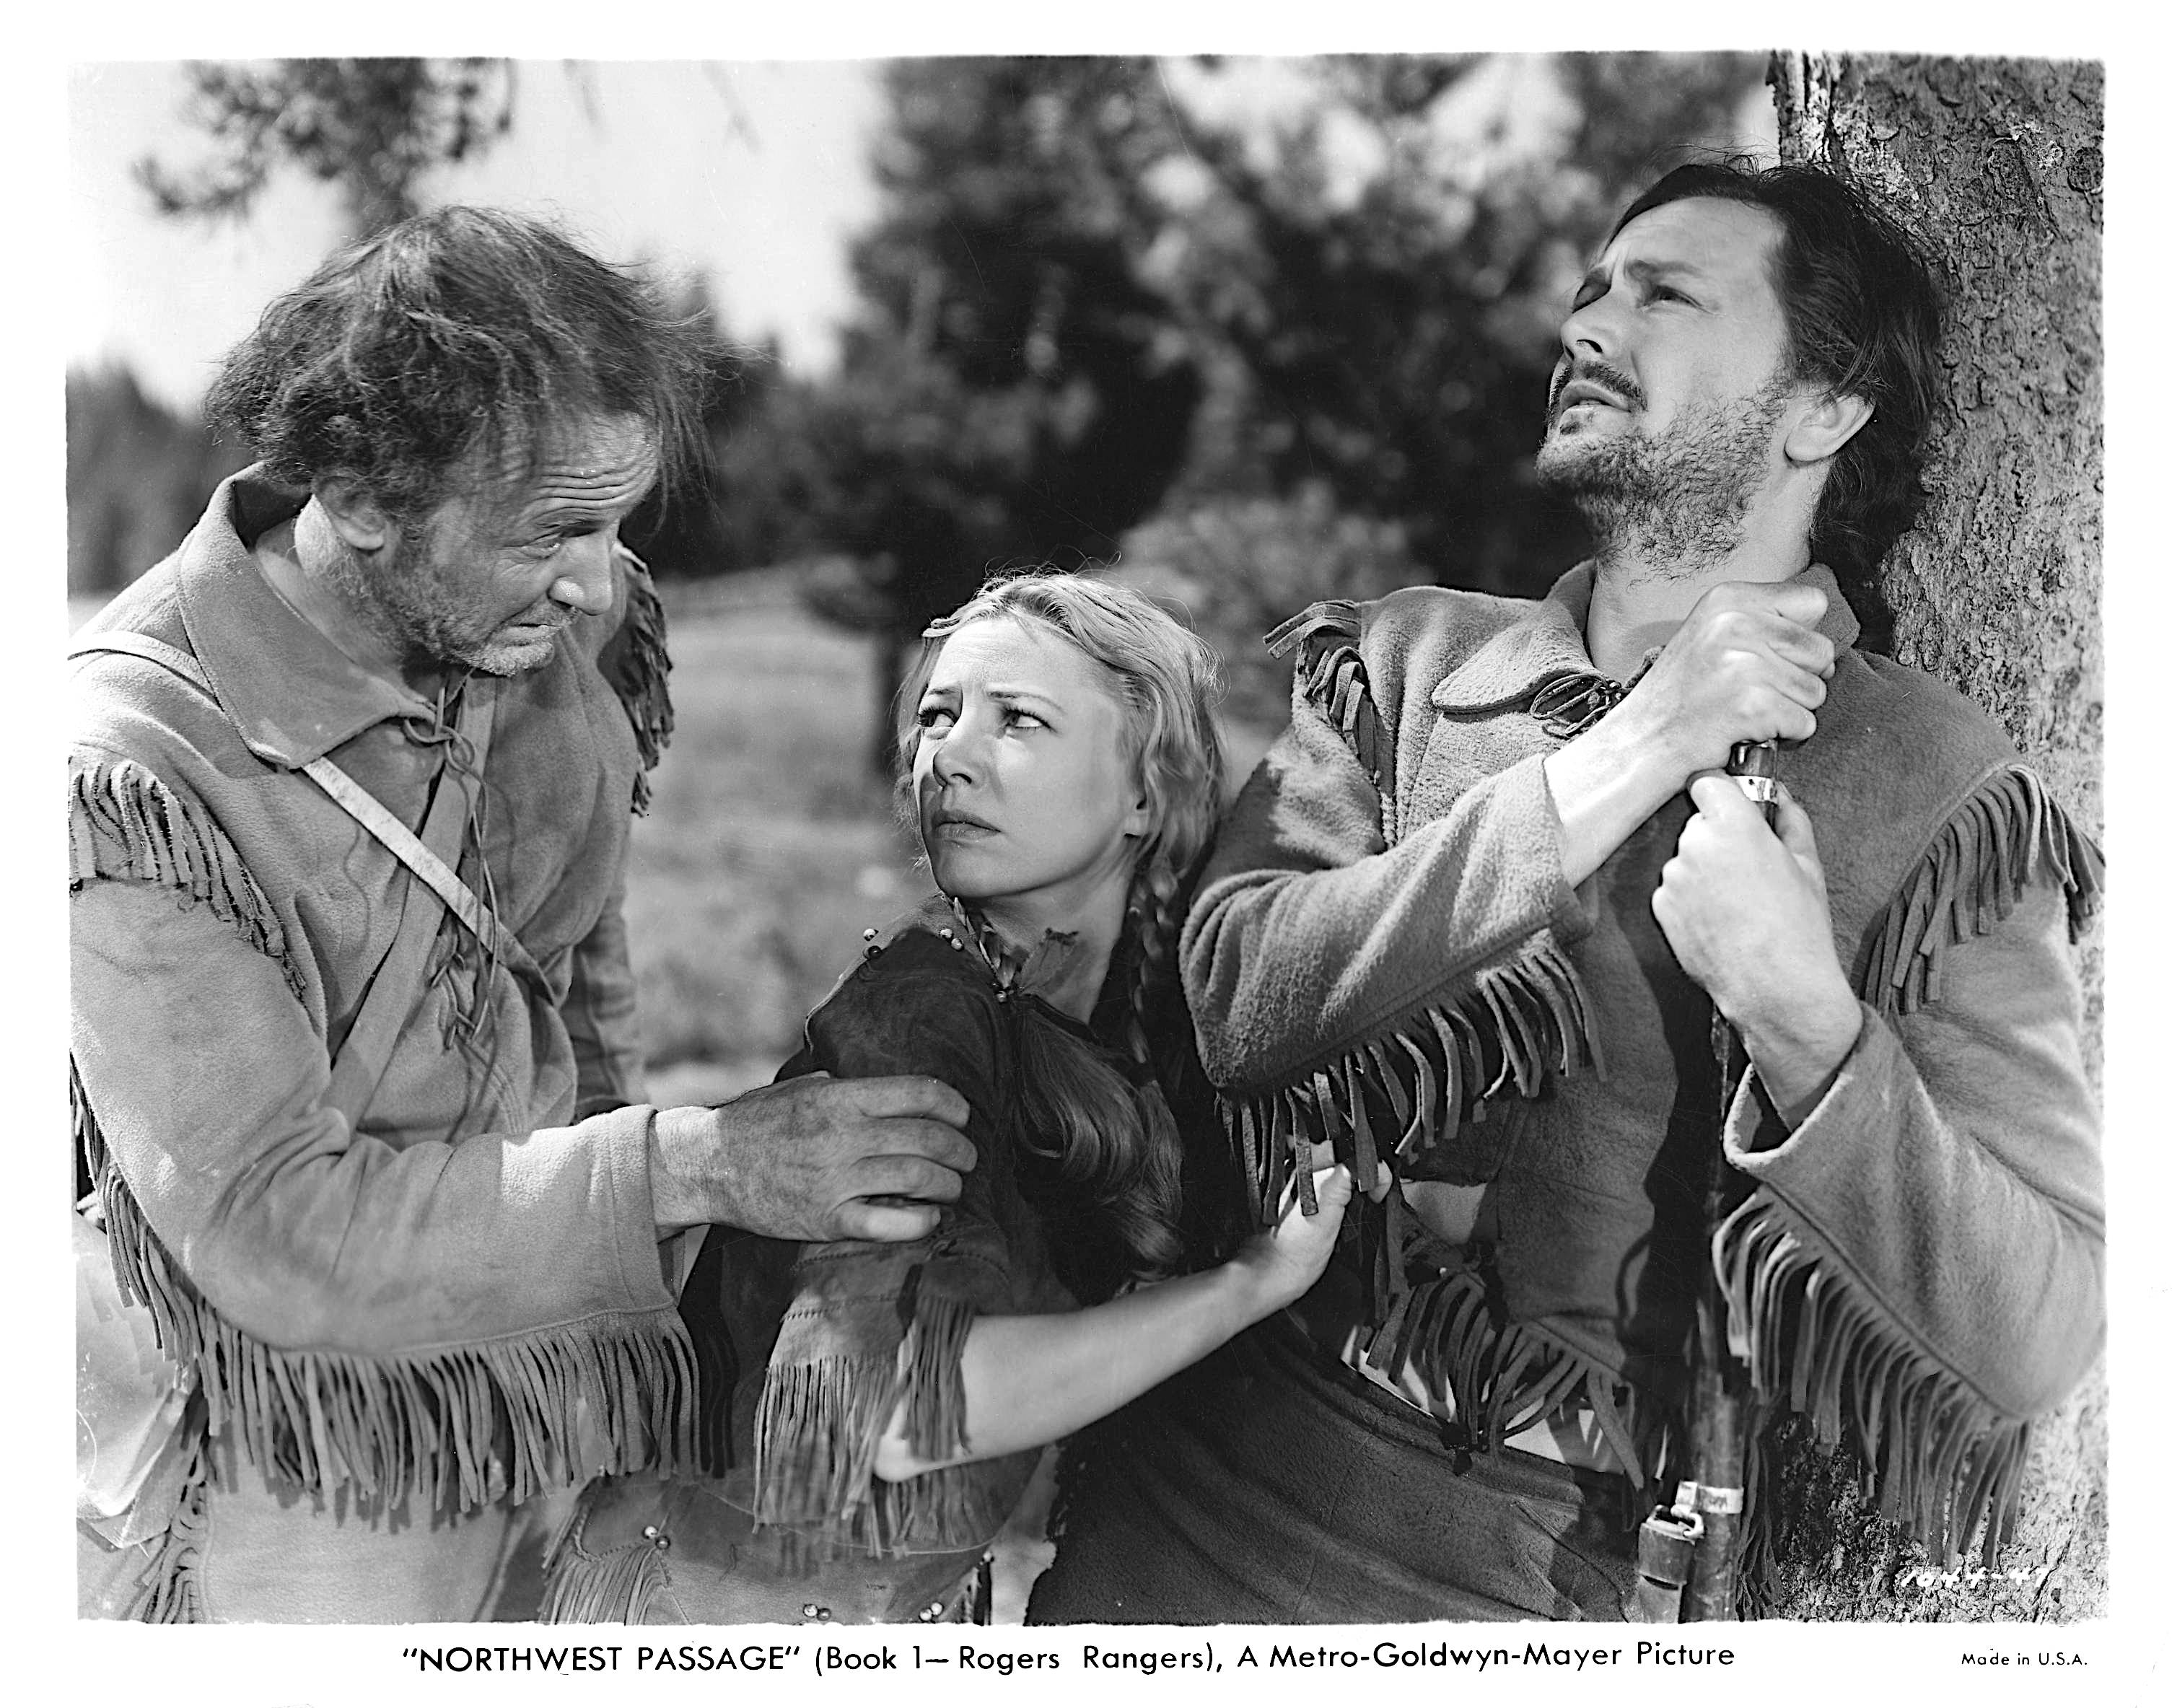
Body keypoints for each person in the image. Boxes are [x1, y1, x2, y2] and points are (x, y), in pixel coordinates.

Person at [1028, 159, 2104, 1623]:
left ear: (1822, 406)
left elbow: (2036, 1325)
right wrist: (1642, 738)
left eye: (1662, 292)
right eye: (1592, 286)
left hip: (1543, 1583)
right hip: (1191, 1508)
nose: (1585, 321)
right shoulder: (1402, 659)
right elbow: (1236, 999)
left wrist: (1803, 1021)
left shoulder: (1934, 785)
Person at [69, 207, 978, 1624]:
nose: (593, 576)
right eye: (550, 528)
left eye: (617, 519)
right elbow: (268, 1219)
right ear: (362, 496)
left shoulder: (563, 617)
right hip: (291, 1486)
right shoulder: (131, 769)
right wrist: (693, 1167)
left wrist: (627, 1366)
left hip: (543, 1401)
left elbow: (577, 1000)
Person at [540, 572, 1352, 1624]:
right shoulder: (921, 1006)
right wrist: (1247, 1285)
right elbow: (883, 1412)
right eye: (936, 715)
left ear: (1145, 791)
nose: (948, 756)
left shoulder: (1134, 1032)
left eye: (1016, 719)